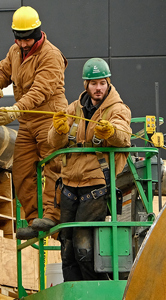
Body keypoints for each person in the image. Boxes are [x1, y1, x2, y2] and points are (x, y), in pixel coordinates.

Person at [0, 6, 68, 240]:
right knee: (21, 171)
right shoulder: (15, 51)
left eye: (27, 39)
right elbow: (3, 70)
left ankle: (52, 215)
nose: (23, 44)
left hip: (50, 120)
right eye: (18, 39)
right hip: (28, 122)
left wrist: (15, 110)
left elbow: (40, 91)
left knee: (54, 166)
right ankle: (34, 220)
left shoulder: (51, 55)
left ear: (38, 33)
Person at [47, 58, 131, 281]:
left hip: (95, 187)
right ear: (86, 85)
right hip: (68, 187)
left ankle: (93, 291)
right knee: (67, 248)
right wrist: (58, 130)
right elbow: (53, 142)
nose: (98, 88)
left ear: (108, 83)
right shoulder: (73, 108)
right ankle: (73, 294)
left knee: (84, 248)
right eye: (94, 83)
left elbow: (124, 136)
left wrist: (110, 132)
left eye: (102, 83)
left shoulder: (118, 109)